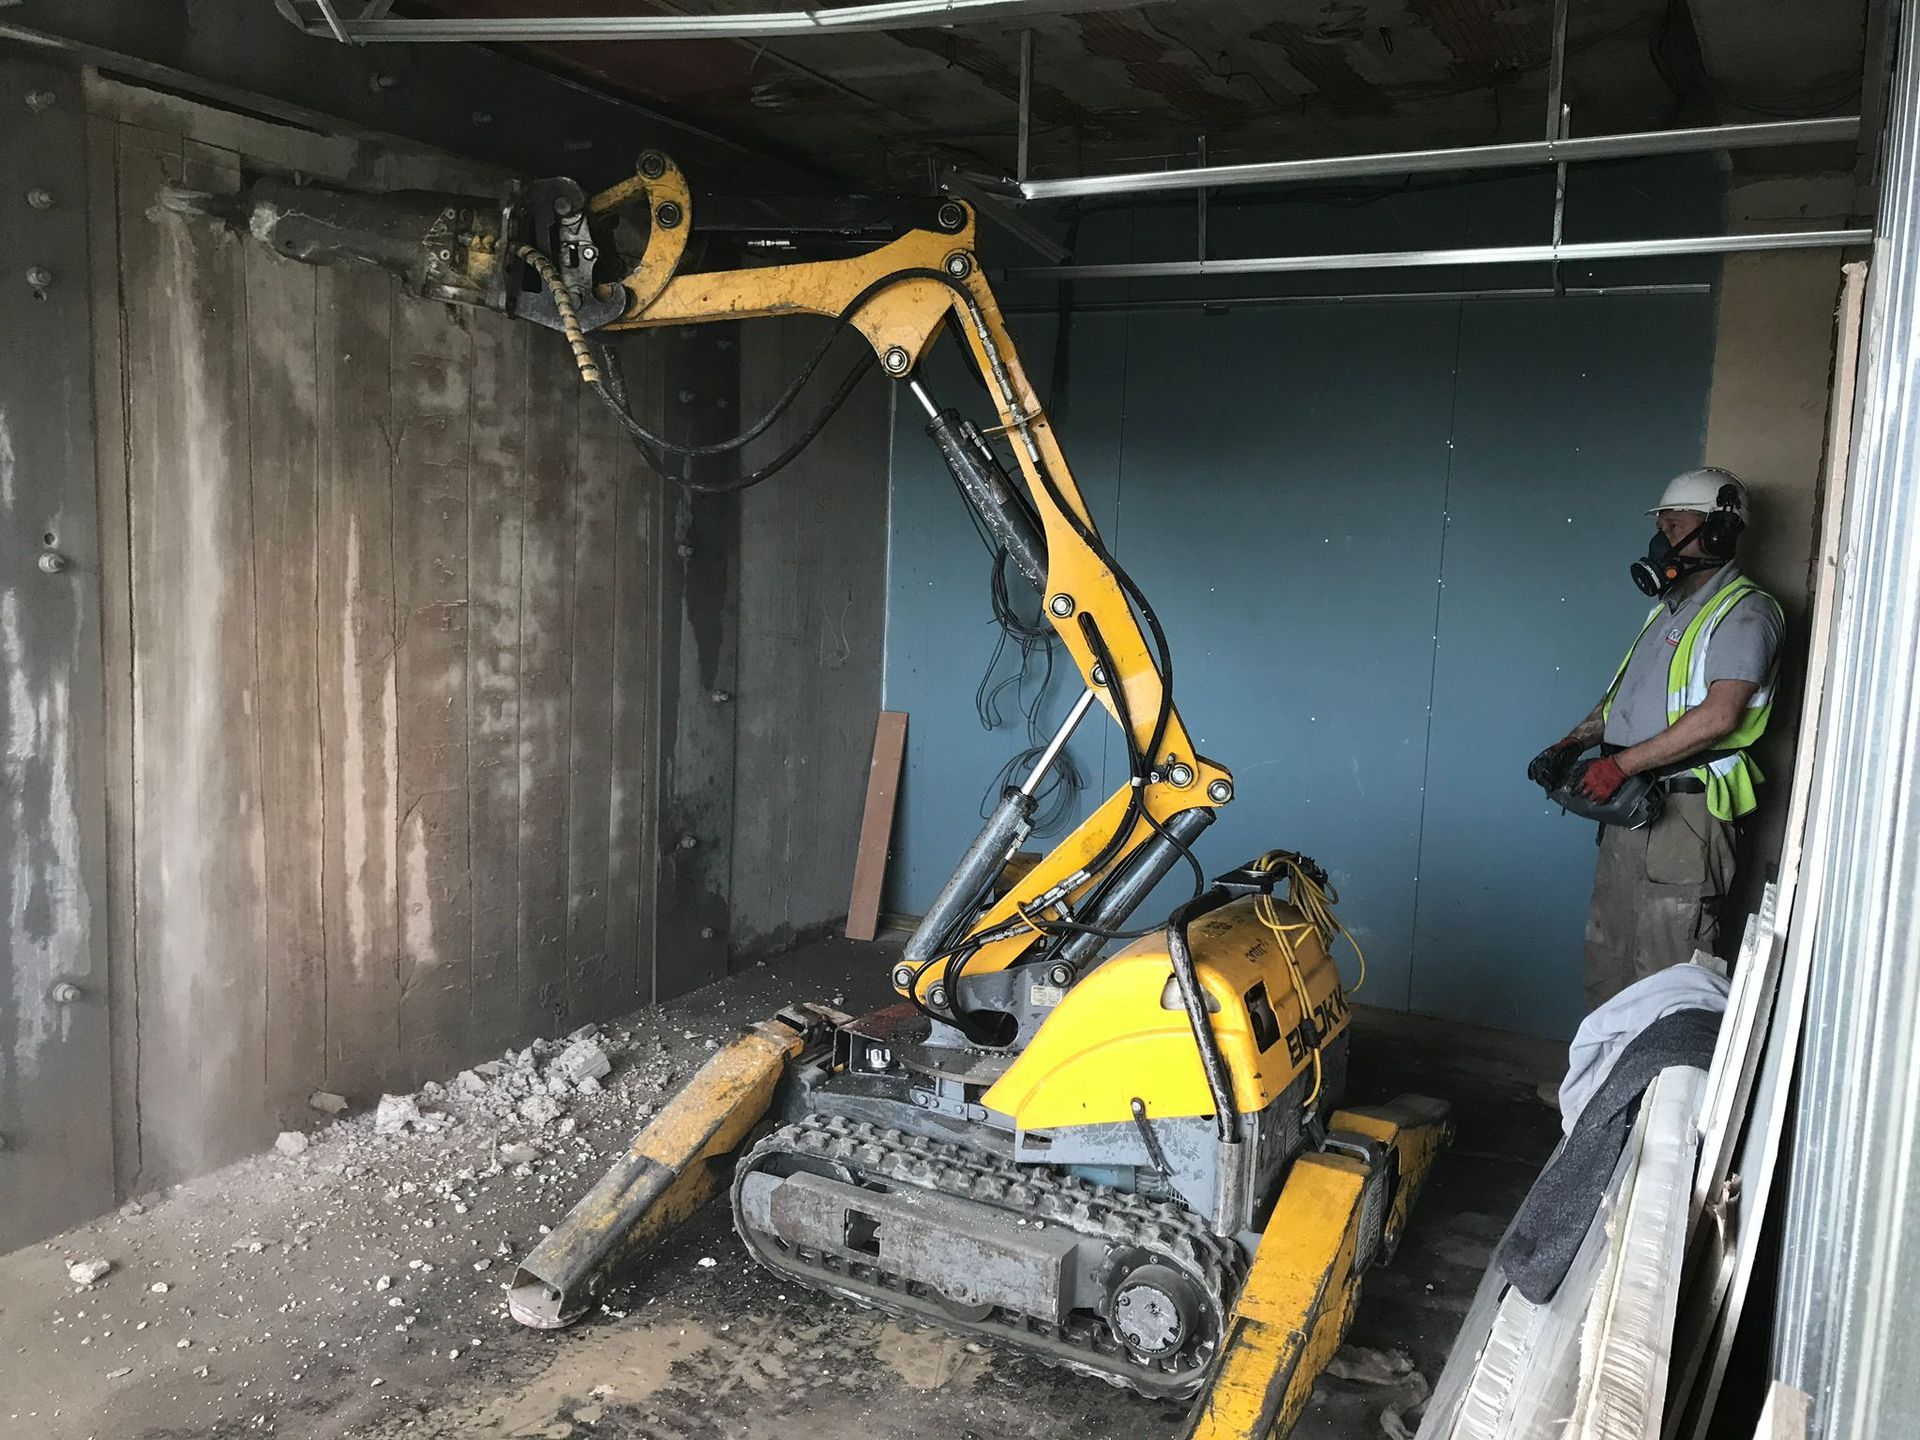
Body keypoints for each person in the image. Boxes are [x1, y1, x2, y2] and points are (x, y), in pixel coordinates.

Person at [1532, 467, 1785, 1014]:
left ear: (1718, 533)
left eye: (1675, 528)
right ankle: (1601, 1093)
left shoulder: (1745, 613)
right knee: (1610, 952)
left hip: (1687, 814)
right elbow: (1620, 701)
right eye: (1663, 529)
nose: (1661, 541)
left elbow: (1720, 716)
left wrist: (1621, 766)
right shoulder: (1665, 612)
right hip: (1632, 808)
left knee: (1670, 966)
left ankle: (1656, 1098)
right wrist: (1570, 745)